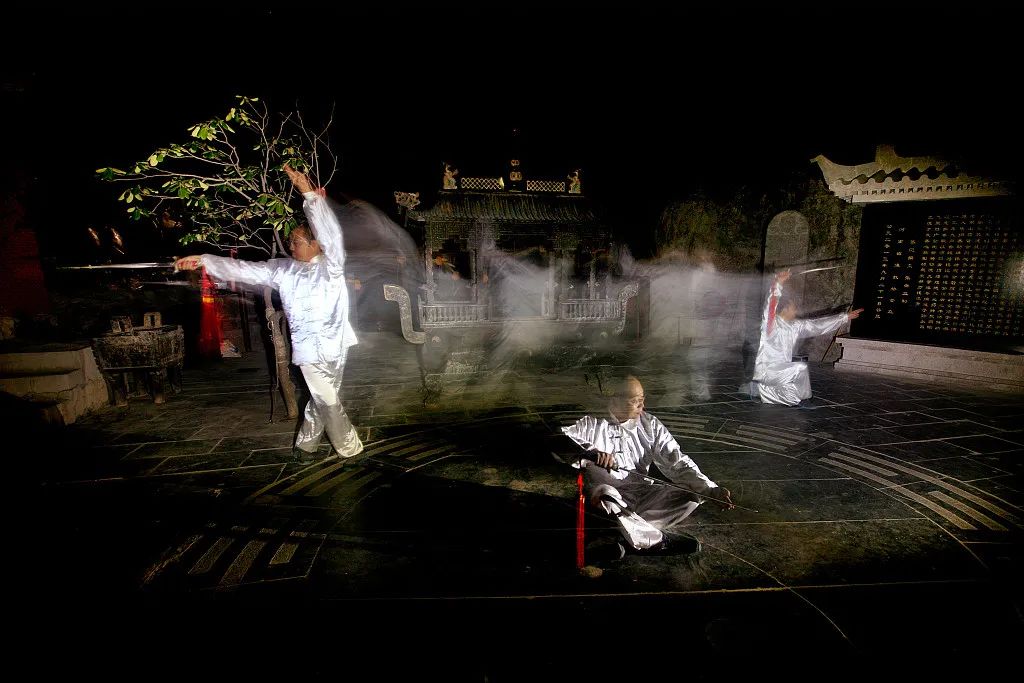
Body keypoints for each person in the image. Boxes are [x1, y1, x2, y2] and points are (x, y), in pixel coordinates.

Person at [174, 164, 363, 463]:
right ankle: (350, 449)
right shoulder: (282, 270)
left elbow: (331, 234)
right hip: (309, 349)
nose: (291, 246)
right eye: (290, 242)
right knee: (327, 399)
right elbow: (244, 269)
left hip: (338, 342)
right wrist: (205, 260)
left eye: (296, 242)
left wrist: (309, 195)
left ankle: (305, 446)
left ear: (315, 244)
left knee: (323, 398)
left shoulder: (332, 266)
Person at [560, 375, 734, 556]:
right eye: (635, 401)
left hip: (643, 494)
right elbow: (558, 438)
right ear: (614, 400)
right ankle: (658, 542)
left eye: (642, 400)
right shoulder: (589, 422)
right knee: (606, 494)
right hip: (607, 500)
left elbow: (677, 461)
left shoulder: (650, 423)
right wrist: (590, 452)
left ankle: (626, 536)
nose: (642, 406)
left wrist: (711, 490)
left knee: (692, 495)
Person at [753, 269, 863, 405]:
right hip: (767, 370)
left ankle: (786, 396)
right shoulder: (770, 324)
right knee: (800, 369)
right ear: (785, 309)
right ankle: (801, 398)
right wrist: (778, 283)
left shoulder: (794, 326)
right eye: (793, 308)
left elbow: (817, 325)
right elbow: (770, 304)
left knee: (797, 378)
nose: (796, 311)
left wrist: (845, 318)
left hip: (781, 370)